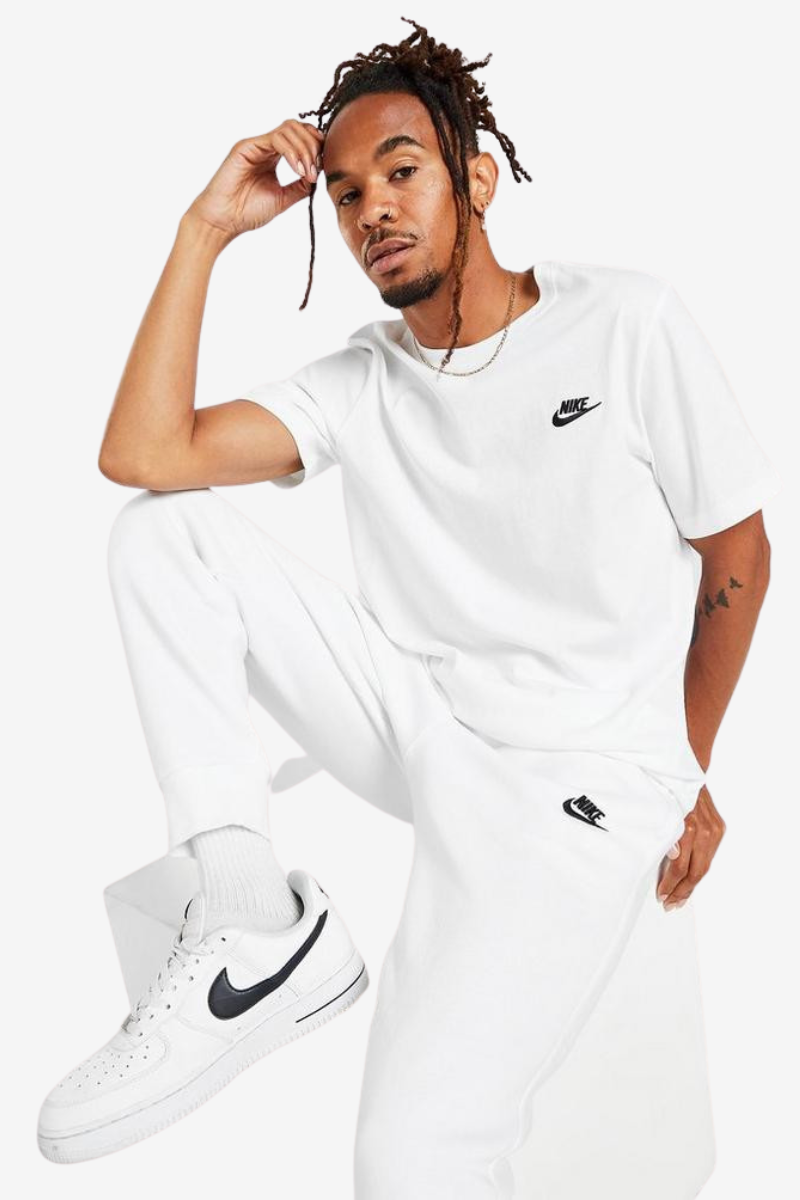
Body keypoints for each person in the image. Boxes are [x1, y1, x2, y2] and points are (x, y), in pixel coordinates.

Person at [37, 16, 780, 1196]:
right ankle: (247, 919)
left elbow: (735, 555)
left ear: (473, 180)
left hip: (571, 784)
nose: (372, 210)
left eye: (400, 173)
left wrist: (677, 766)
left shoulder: (623, 323)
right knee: (163, 533)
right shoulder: (361, 379)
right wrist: (204, 231)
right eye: (344, 195)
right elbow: (143, 454)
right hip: (422, 726)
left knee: (408, 1158)